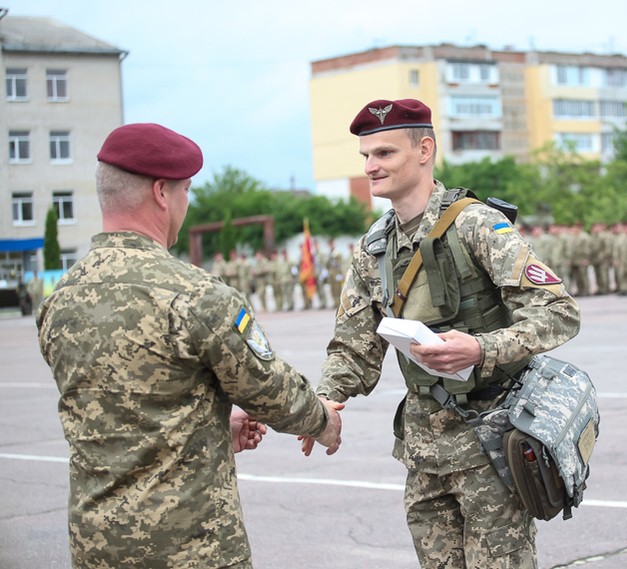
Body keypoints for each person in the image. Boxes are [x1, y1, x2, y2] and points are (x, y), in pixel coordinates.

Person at [36, 123, 343, 569]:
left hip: (95, 546)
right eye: (186, 190)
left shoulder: (59, 300)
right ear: (161, 192)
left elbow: (119, 407)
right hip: (190, 547)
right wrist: (324, 421)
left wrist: (211, 424)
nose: (187, 202)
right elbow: (272, 393)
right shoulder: (196, 295)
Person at [302, 99, 580, 568]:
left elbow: (558, 311)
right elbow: (352, 347)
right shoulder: (373, 249)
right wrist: (326, 401)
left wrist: (481, 349)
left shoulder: (475, 224)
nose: (370, 167)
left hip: (491, 446)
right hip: (423, 455)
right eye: (366, 156)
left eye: (384, 153)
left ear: (424, 149)